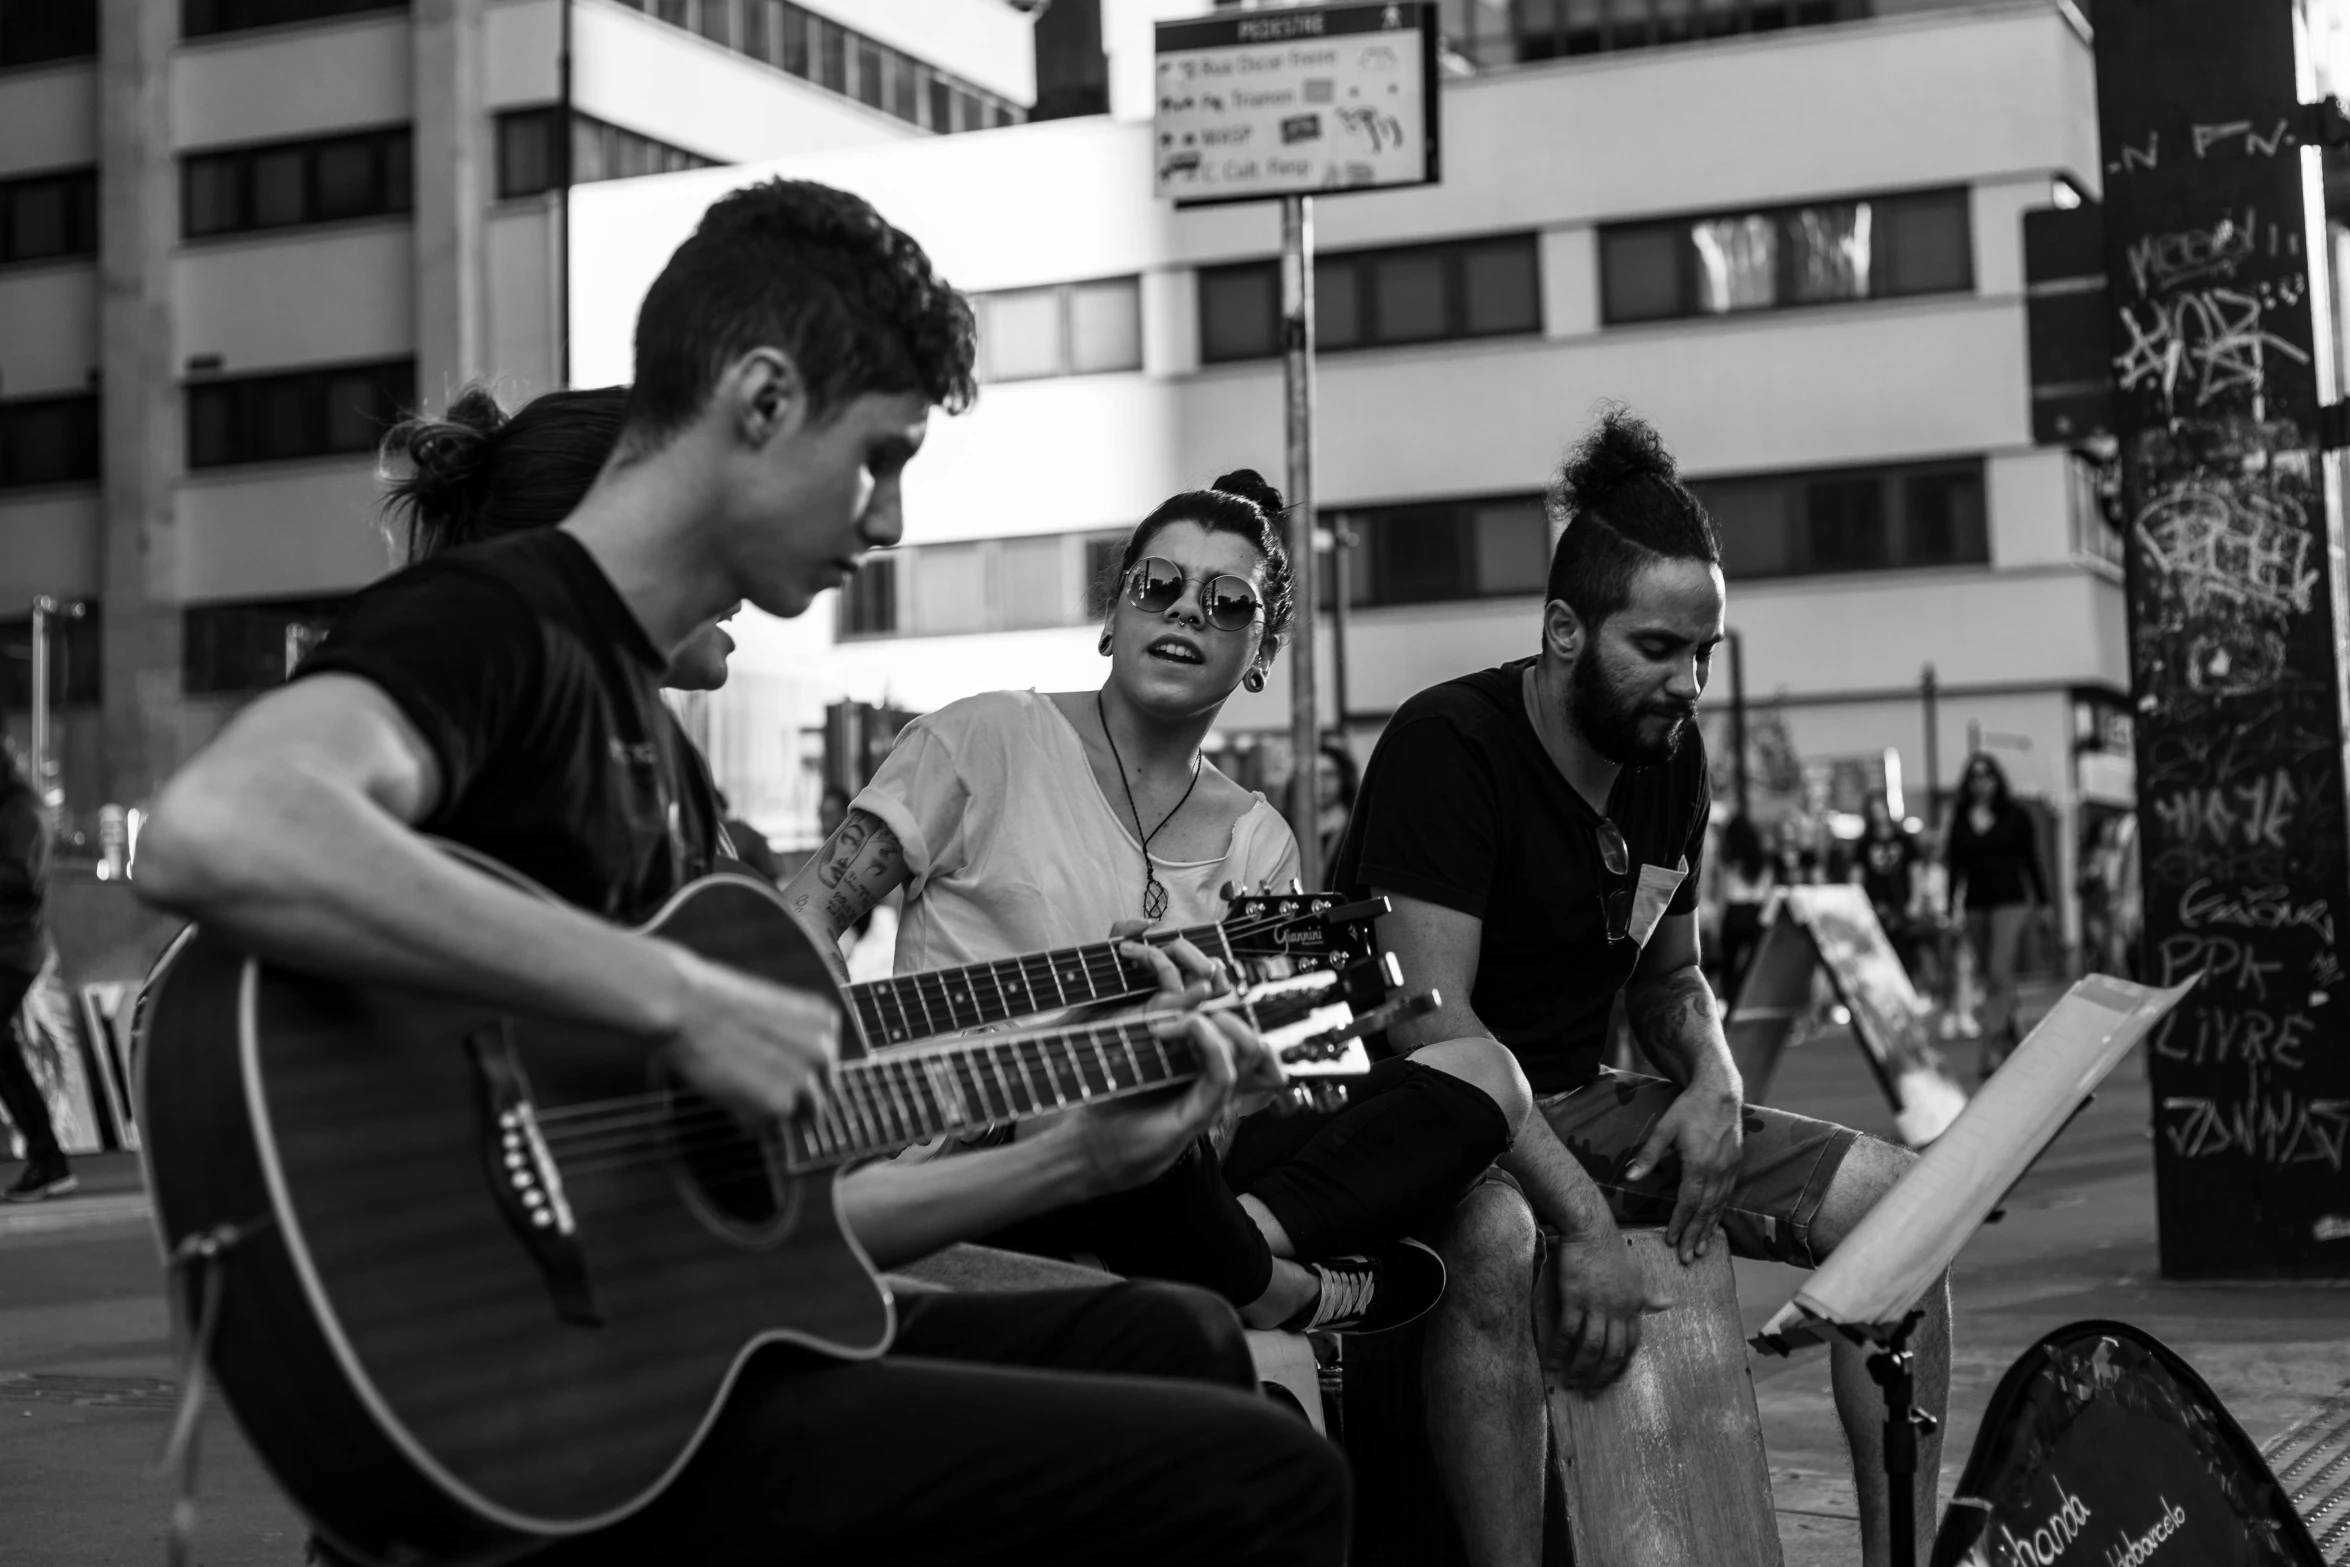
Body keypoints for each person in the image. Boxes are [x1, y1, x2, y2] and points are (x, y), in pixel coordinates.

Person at [137, 177, 1348, 1565]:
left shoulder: (650, 743)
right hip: (541, 1396)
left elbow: (750, 1203)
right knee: (1263, 1479)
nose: (887, 521)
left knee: (1173, 1334)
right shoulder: (505, 625)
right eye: (877, 457)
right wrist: (673, 994)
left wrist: (1075, 1144)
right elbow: (220, 822)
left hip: (667, 1337)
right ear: (763, 401)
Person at [1332, 407, 1947, 1567]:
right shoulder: (1445, 746)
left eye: (1705, 652)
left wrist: (1711, 1078)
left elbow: (1672, 978)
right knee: (1501, 1239)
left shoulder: (1673, 761)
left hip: (1571, 1100)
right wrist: (1583, 1220)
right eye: (1657, 649)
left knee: (1903, 1210)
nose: (1688, 681)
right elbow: (1433, 1029)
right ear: (1565, 630)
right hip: (1424, 1125)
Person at [785, 470, 1527, 1335]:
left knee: (1485, 1075)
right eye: (1159, 585)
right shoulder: (981, 739)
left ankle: (1239, 1243)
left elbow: (1265, 1095)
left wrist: (1204, 1056)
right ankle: (1276, 1286)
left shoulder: (1261, 841)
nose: (1185, 613)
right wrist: (842, 1078)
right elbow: (802, 915)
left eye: (1227, 603)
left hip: (1171, 1160)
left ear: (1264, 654)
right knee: (1106, 1074)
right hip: (969, 1145)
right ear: (1113, 617)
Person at [1945, 750, 2050, 1076]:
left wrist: (2045, 904)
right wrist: (1951, 908)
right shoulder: (1961, 816)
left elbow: (2032, 861)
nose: (1981, 783)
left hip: (2011, 903)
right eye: (1975, 777)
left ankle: (1991, 1049)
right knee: (1994, 979)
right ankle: (2015, 1039)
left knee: (1997, 973)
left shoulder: (2016, 815)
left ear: (1996, 779)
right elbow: (1955, 867)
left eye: (1986, 775)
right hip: (1975, 904)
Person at [0, 744, 73, 1202]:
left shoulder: (20, 810)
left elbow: (22, 880)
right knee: (2, 1051)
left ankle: (49, 1159)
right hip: (10, 947)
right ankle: (48, 1160)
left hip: (14, 949)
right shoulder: (12, 808)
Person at [1854, 792, 1922, 981]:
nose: (1878, 815)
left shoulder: (1904, 840)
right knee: (1879, 954)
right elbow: (1857, 877)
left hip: (1902, 904)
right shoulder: (1864, 844)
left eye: (1881, 809)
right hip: (1876, 905)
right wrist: (1860, 905)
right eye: (1874, 811)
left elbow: (1915, 872)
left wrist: (1915, 901)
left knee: (1906, 953)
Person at [1713, 812, 1773, 999]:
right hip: (1755, 913)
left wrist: (1717, 923)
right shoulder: (1761, 858)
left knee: (1728, 966)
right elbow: (1767, 891)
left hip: (1733, 913)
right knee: (1753, 965)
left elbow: (1722, 894)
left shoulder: (1726, 857)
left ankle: (1730, 1003)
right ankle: (1751, 998)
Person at [1314, 740, 1359, 874]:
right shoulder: (1287, 827)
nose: (1321, 782)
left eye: (1328, 774)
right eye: (1314, 775)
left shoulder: (1357, 826)